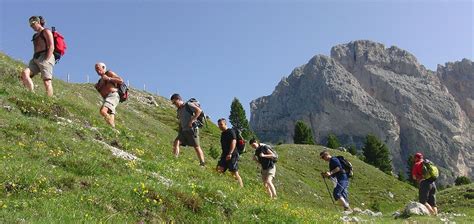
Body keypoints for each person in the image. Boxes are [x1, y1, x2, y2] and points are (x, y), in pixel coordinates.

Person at [20, 16, 56, 97]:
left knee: (47, 81)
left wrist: (46, 59)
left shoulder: (46, 31)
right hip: (35, 58)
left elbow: (51, 46)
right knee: (25, 73)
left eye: (33, 24)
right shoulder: (35, 36)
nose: (32, 26)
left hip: (45, 56)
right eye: (31, 25)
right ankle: (31, 94)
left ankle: (48, 101)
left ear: (38, 22)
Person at [170, 93, 206, 166]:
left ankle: (202, 163)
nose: (174, 104)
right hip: (183, 130)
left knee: (196, 146)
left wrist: (192, 121)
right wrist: (180, 130)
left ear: (179, 99)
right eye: (173, 103)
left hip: (192, 129)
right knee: (176, 142)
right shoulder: (179, 110)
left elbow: (198, 111)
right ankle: (174, 159)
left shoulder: (188, 105)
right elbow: (181, 121)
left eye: (175, 102)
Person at [94, 62, 123, 128]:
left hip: (112, 95)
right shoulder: (99, 81)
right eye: (96, 70)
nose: (97, 71)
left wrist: (109, 78)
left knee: (102, 111)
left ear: (103, 67)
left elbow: (120, 80)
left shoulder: (109, 73)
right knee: (110, 117)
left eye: (98, 68)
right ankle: (113, 130)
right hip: (107, 98)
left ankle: (113, 129)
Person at [216, 118, 243, 187]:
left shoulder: (231, 131)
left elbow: (234, 142)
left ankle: (241, 188)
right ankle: (218, 185)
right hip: (225, 154)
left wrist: (230, 153)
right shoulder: (223, 134)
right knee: (219, 169)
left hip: (232, 154)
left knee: (234, 172)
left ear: (225, 124)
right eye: (219, 125)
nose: (220, 126)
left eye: (221, 124)